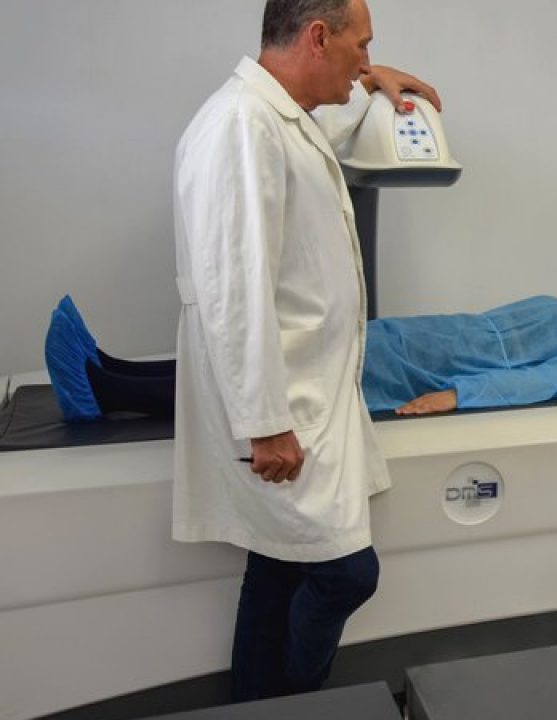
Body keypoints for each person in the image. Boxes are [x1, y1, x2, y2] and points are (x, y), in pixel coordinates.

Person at [168, 0, 438, 702]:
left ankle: (259, 706)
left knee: (277, 569)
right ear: (318, 36)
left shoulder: (278, 118)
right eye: (361, 46)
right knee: (346, 572)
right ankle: (299, 703)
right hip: (282, 405)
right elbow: (233, 288)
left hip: (307, 394)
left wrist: (372, 82)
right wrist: (264, 423)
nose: (366, 59)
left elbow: (318, 140)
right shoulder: (242, 126)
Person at [43, 290, 557, 420]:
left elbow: (545, 380)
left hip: (425, 368)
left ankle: (108, 392)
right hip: (413, 340)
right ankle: (113, 369)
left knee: (266, 375)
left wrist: (458, 397)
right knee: (261, 358)